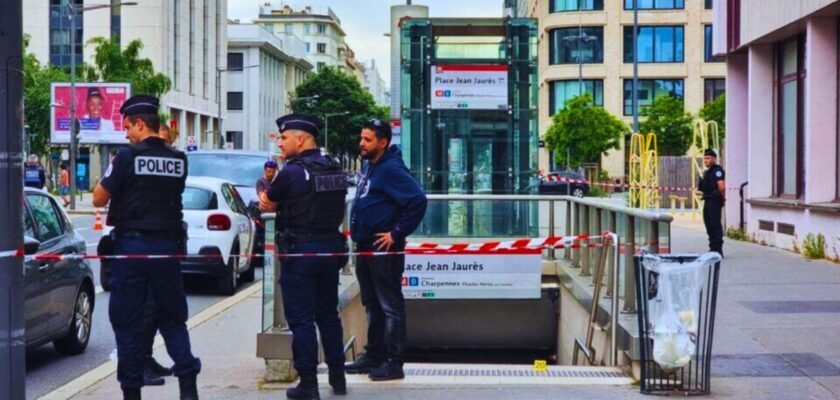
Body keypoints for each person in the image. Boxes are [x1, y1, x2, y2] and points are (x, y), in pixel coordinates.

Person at [92, 95, 200, 400]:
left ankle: (131, 393)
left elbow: (99, 199)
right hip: (167, 249)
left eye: (128, 127)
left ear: (141, 123)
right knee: (173, 319)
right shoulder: (179, 159)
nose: (126, 134)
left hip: (132, 249)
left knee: (127, 322)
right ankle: (189, 389)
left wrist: (114, 169)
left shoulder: (126, 157)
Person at [259, 114, 348, 399]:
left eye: (284, 138)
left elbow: (268, 201)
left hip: (301, 253)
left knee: (301, 321)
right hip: (330, 251)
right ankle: (338, 376)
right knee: (328, 315)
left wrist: (268, 198)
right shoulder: (334, 168)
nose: (280, 143)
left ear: (301, 139)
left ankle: (308, 383)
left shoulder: (292, 172)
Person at [344, 119, 427, 381]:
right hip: (366, 246)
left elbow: (417, 200)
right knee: (371, 304)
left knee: (390, 306)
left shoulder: (390, 168)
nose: (361, 143)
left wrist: (396, 233)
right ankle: (374, 355)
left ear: (383, 142)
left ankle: (394, 362)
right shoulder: (372, 166)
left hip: (383, 249)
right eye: (361, 138)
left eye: (367, 140)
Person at [699, 148, 726, 257]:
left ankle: (718, 249)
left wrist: (722, 199)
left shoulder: (717, 170)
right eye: (705, 158)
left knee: (715, 225)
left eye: (708, 158)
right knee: (708, 224)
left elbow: (722, 187)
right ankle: (712, 248)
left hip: (714, 201)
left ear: (714, 159)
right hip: (707, 199)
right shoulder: (708, 171)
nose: (706, 160)